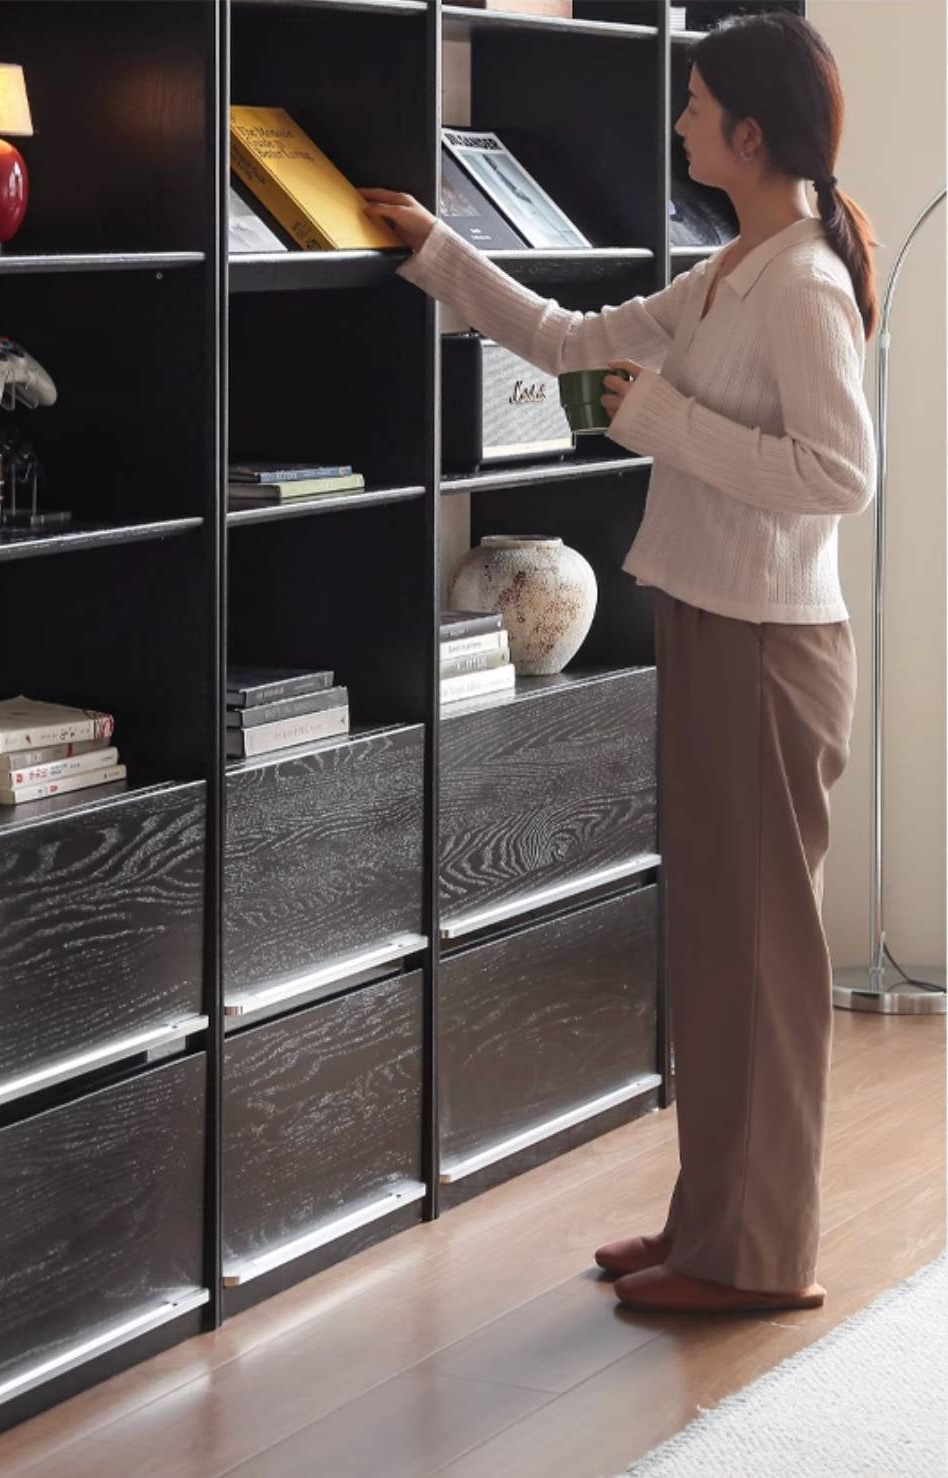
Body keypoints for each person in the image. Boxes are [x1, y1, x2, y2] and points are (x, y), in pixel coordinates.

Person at [360, 10, 878, 1315]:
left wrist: (664, 425)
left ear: (750, 137)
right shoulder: (730, 270)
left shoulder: (806, 284)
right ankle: (710, 1224)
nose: (680, 122)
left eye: (697, 105)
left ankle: (759, 1258)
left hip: (771, 651)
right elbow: (562, 338)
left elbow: (841, 478)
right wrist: (436, 248)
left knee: (761, 962)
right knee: (715, 945)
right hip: (712, 628)